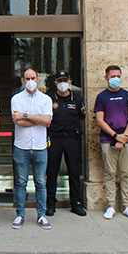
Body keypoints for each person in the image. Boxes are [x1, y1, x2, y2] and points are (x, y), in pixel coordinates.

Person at [10, 68, 53, 230]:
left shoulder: (46, 99)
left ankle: (41, 215)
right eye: (27, 78)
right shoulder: (16, 99)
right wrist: (39, 120)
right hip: (22, 146)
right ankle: (20, 215)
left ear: (37, 79)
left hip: (40, 146)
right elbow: (18, 122)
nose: (30, 81)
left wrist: (26, 115)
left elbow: (47, 120)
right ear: (23, 80)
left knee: (40, 182)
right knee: (21, 182)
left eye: (33, 78)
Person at [94, 65, 128, 220]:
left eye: (118, 76)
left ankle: (126, 205)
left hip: (127, 139)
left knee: (126, 172)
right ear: (106, 78)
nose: (116, 79)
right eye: (113, 76)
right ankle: (111, 205)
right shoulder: (101, 97)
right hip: (108, 139)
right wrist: (115, 136)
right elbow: (100, 120)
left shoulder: (127, 95)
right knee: (110, 173)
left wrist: (123, 137)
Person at [46, 70, 87, 217]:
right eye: (60, 81)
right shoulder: (49, 99)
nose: (62, 83)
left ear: (70, 82)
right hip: (54, 139)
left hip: (72, 139)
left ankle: (76, 203)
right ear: (55, 83)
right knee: (52, 172)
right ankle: (51, 203)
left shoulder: (77, 99)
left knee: (74, 172)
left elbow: (81, 118)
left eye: (65, 80)